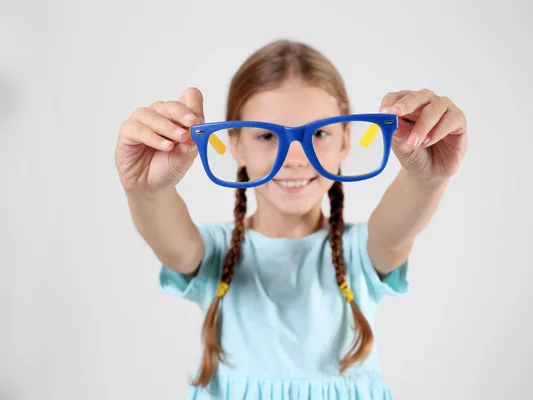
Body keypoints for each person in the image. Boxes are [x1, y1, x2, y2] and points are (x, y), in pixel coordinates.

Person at [114, 39, 468, 399]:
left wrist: (428, 177)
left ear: (346, 141)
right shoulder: (214, 254)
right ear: (235, 144)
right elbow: (170, 238)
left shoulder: (358, 254)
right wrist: (146, 191)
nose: (295, 157)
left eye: (319, 133)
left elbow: (395, 231)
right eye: (267, 135)